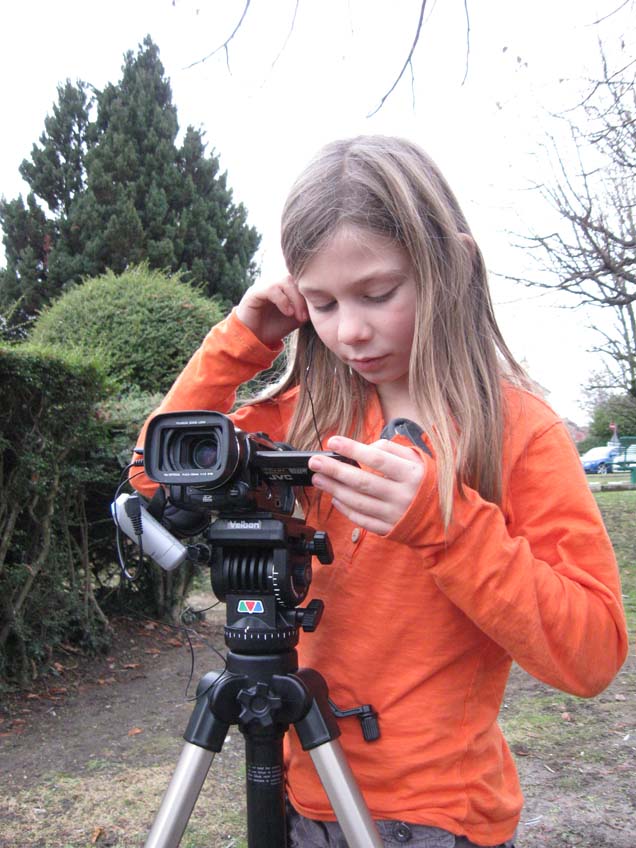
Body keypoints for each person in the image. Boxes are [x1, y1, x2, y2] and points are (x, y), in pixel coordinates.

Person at [132, 136, 628, 848]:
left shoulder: (517, 431)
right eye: (322, 303)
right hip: (301, 800)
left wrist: (446, 527)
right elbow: (154, 475)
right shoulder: (304, 417)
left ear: (450, 267)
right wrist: (241, 339)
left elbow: (592, 654)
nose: (351, 331)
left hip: (439, 819)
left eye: (377, 294)